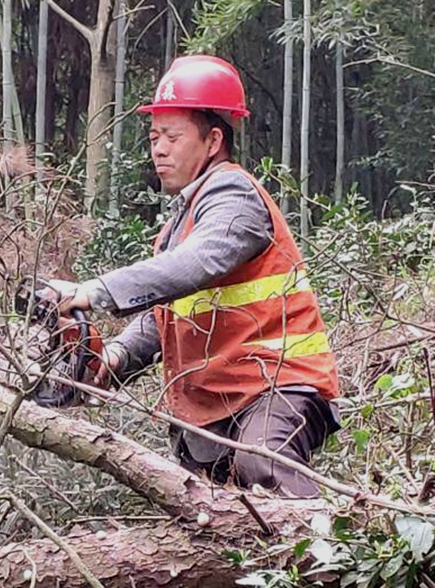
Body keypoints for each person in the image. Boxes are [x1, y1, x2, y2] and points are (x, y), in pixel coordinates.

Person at [52, 55, 340, 498]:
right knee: (215, 519)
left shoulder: (234, 196)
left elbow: (198, 263)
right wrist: (114, 358)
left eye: (172, 136)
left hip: (275, 387)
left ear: (213, 140)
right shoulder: (180, 222)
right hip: (211, 410)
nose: (159, 149)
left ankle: (325, 559)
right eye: (153, 137)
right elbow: (168, 313)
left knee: (263, 462)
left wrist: (95, 290)